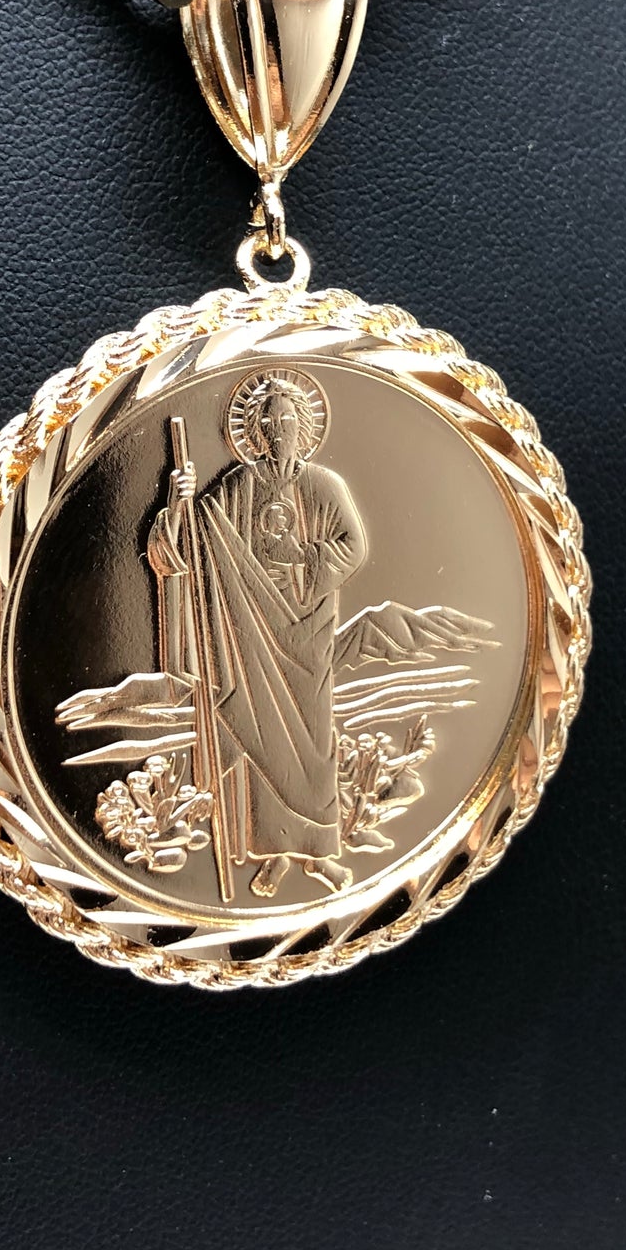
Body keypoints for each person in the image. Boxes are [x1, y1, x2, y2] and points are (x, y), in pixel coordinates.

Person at [148, 374, 365, 897]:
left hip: (306, 633)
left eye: (287, 418)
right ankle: (274, 854)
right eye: (267, 420)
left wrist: (304, 560)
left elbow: (353, 546)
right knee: (261, 736)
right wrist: (177, 501)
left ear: (303, 426)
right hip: (252, 632)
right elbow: (195, 542)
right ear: (257, 431)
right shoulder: (238, 485)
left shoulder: (325, 485)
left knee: (313, 745)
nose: (277, 428)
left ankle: (318, 856)